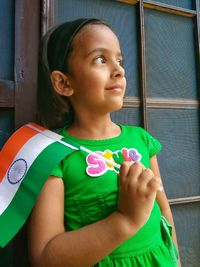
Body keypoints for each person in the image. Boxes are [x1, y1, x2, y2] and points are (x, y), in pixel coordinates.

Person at [28, 18, 181, 267]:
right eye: (100, 59)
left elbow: (164, 213)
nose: (119, 70)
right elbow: (44, 257)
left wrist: (176, 259)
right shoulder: (53, 153)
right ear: (63, 83)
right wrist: (126, 219)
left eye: (119, 60)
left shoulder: (141, 140)